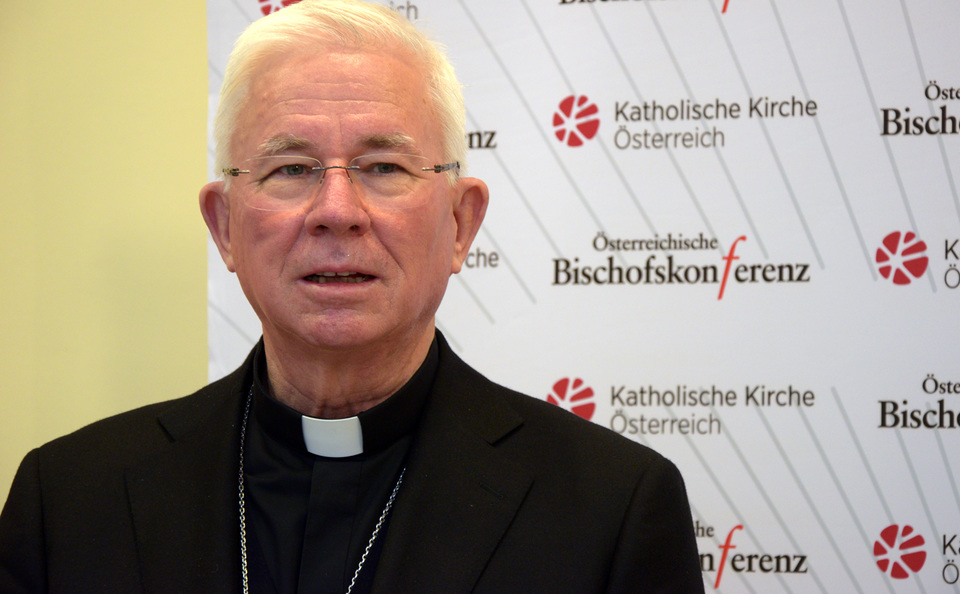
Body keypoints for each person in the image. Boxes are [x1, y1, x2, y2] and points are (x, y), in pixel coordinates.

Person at [0, 1, 704, 592]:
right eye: (291, 168)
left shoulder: (611, 509)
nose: (337, 211)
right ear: (225, 227)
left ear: (461, 224)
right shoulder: (68, 500)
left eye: (383, 166)